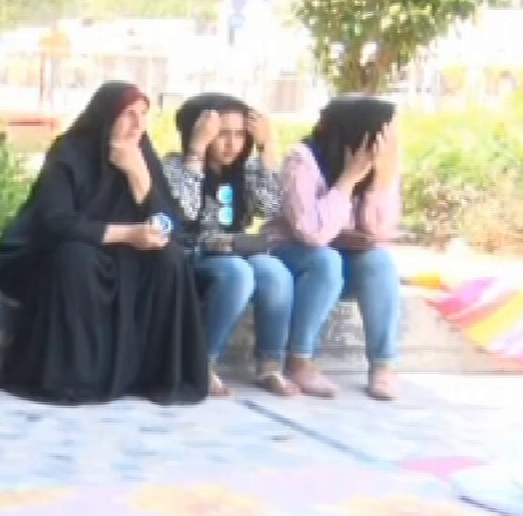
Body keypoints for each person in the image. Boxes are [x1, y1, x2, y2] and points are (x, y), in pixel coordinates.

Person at [0, 82, 210, 406]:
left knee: (170, 259)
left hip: (125, 254)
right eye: (128, 114)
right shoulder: (70, 152)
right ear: (107, 116)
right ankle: (78, 378)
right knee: (76, 258)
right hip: (63, 250)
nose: (137, 124)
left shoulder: (142, 154)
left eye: (143, 114)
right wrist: (128, 234)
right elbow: (56, 222)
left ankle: (153, 374)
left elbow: (169, 226)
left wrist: (138, 177)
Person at [269, 95, 404, 401]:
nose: (393, 141)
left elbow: (378, 231)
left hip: (343, 257)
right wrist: (348, 179)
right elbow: (311, 233)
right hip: (295, 258)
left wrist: (381, 181)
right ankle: (299, 361)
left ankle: (383, 366)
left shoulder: (383, 165)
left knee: (379, 262)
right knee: (326, 259)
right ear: (364, 133)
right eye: (388, 132)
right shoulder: (302, 161)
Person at [162, 93, 293, 397]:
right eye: (222, 134)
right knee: (238, 273)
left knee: (274, 271)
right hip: (191, 253)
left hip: (235, 250)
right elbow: (185, 211)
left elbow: (270, 208)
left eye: (239, 135)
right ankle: (201, 364)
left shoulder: (244, 170)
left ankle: (269, 365)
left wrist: (266, 148)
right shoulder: (174, 166)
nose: (232, 144)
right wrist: (196, 151)